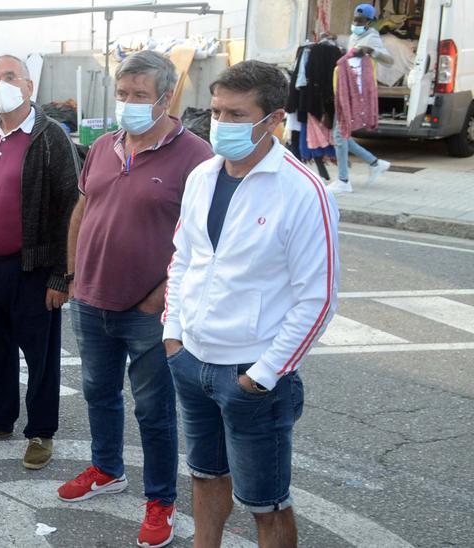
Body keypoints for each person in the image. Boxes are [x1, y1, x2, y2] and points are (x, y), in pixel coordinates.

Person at [164, 60, 339, 548]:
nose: (221, 124)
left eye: (237, 115)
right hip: (192, 360)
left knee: (267, 504)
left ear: (274, 119)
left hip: (253, 375)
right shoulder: (202, 175)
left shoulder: (304, 193)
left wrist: (261, 375)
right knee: (202, 476)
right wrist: (173, 337)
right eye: (217, 111)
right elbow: (184, 258)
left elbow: (318, 299)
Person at [59, 50, 213, 548]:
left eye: (139, 96)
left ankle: (161, 499)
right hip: (91, 298)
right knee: (98, 393)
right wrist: (73, 273)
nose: (128, 103)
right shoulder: (104, 145)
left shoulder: (196, 156)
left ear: (166, 99)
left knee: (153, 410)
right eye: (122, 94)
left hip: (150, 312)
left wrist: (162, 297)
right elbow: (83, 209)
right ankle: (107, 468)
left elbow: (207, 241)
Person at [0, 56, 79, 471]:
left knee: (40, 356)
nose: (1, 85)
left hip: (33, 268)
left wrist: (62, 274)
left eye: (10, 77)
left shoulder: (49, 138)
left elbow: (69, 209)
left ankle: (41, 431)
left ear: (29, 86)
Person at [328, 2, 393, 194]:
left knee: (340, 134)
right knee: (340, 134)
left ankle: (343, 180)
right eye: (355, 19)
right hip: (346, 89)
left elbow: (390, 61)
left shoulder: (372, 37)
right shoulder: (356, 35)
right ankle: (374, 163)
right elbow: (349, 41)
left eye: (360, 20)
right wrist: (333, 37)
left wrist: (371, 51)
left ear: (369, 22)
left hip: (356, 92)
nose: (356, 22)